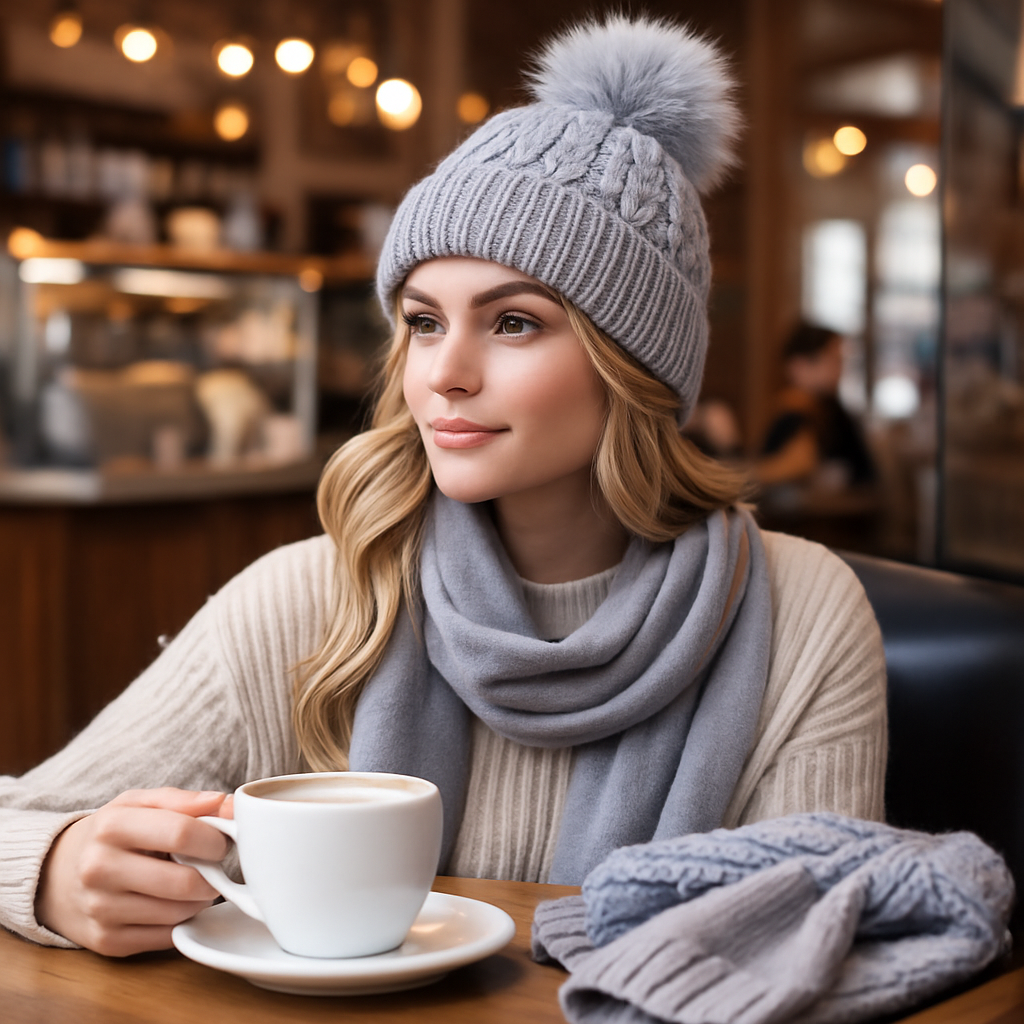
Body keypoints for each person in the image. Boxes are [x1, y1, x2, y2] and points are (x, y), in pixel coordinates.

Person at [0, 16, 887, 958]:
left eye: (513, 323)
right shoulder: (309, 599)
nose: (444, 374)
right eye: (424, 321)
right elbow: (18, 819)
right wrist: (54, 868)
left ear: (632, 364)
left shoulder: (802, 613)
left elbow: (818, 949)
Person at [755, 323, 876, 491]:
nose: (840, 370)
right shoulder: (791, 413)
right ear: (799, 366)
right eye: (834, 361)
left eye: (841, 361)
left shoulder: (832, 409)